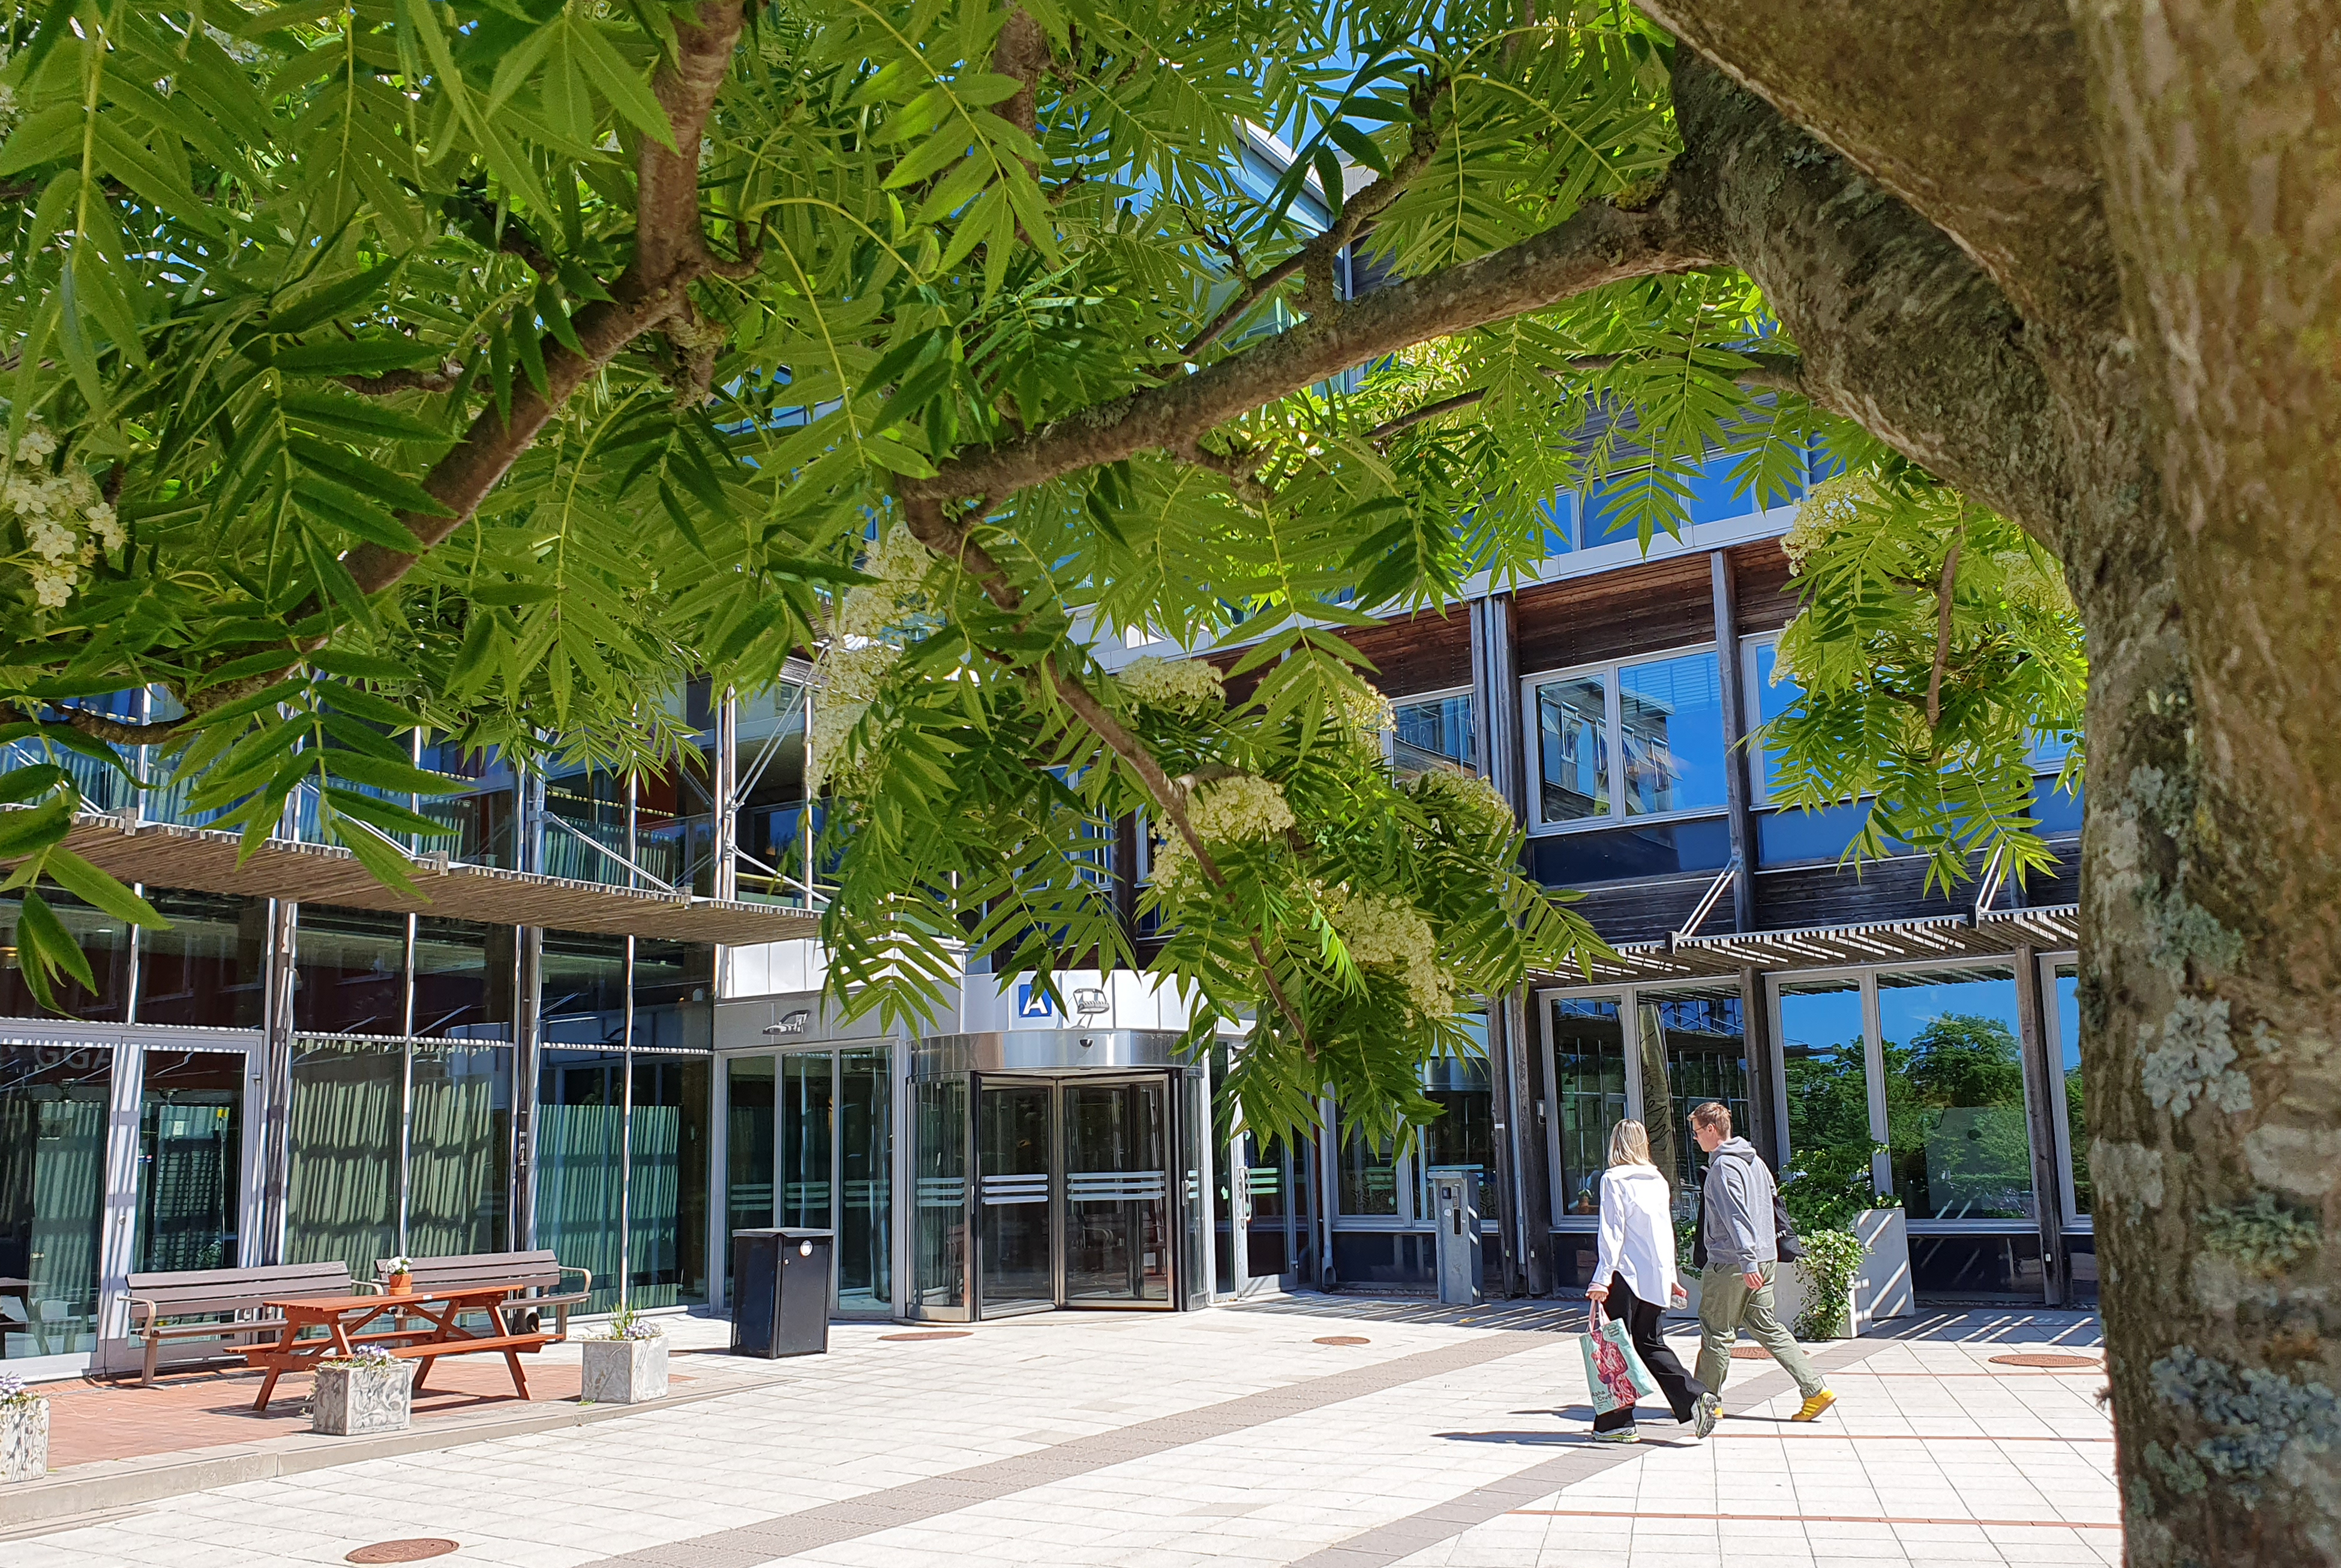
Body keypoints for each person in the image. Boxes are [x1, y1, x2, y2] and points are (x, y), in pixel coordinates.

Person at [1690, 1101, 1837, 1422]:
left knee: (1717, 1330)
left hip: (1733, 1264)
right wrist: (1758, 1257)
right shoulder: (1756, 1162)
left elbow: (1736, 1217)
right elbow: (1772, 1206)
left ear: (1712, 1130)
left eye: (1698, 1132)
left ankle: (1705, 1402)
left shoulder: (1723, 1169)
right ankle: (1815, 1390)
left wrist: (1747, 1260)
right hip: (1765, 1257)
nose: (1697, 1139)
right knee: (1766, 1325)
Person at [1586, 1119, 1716, 1443]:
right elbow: (1663, 1232)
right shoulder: (1657, 1179)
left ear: (1616, 1143)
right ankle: (1694, 1396)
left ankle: (1617, 1422)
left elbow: (1612, 1232)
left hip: (1624, 1274)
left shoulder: (1613, 1179)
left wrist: (1602, 1278)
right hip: (1654, 1275)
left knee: (1616, 1348)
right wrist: (1670, 1275)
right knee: (1649, 1342)